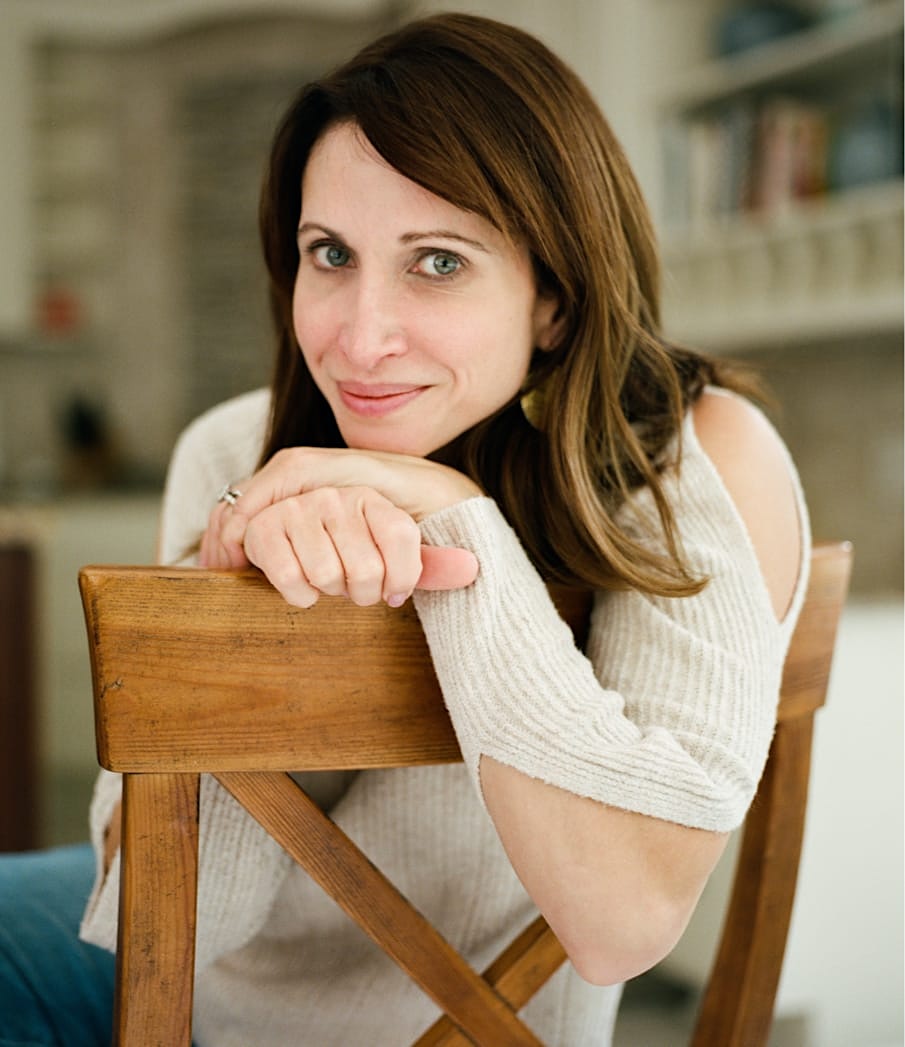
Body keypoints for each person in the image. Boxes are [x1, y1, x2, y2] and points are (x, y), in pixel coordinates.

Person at [0, 12, 810, 1046]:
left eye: (436, 263)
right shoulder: (236, 456)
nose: (359, 336)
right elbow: (171, 920)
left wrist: (451, 523)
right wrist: (237, 629)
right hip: (211, 996)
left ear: (553, 300)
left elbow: (622, 922)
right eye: (328, 252)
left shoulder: (684, 462)